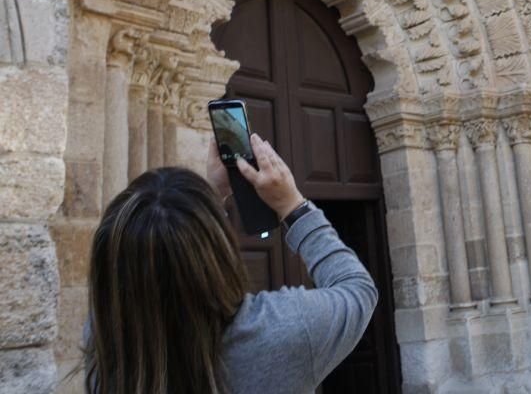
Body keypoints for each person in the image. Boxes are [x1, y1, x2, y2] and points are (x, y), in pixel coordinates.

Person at [81, 133, 377, 393]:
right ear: (218, 251)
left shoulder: (108, 340)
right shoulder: (284, 332)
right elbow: (358, 289)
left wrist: (209, 197)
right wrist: (291, 204)